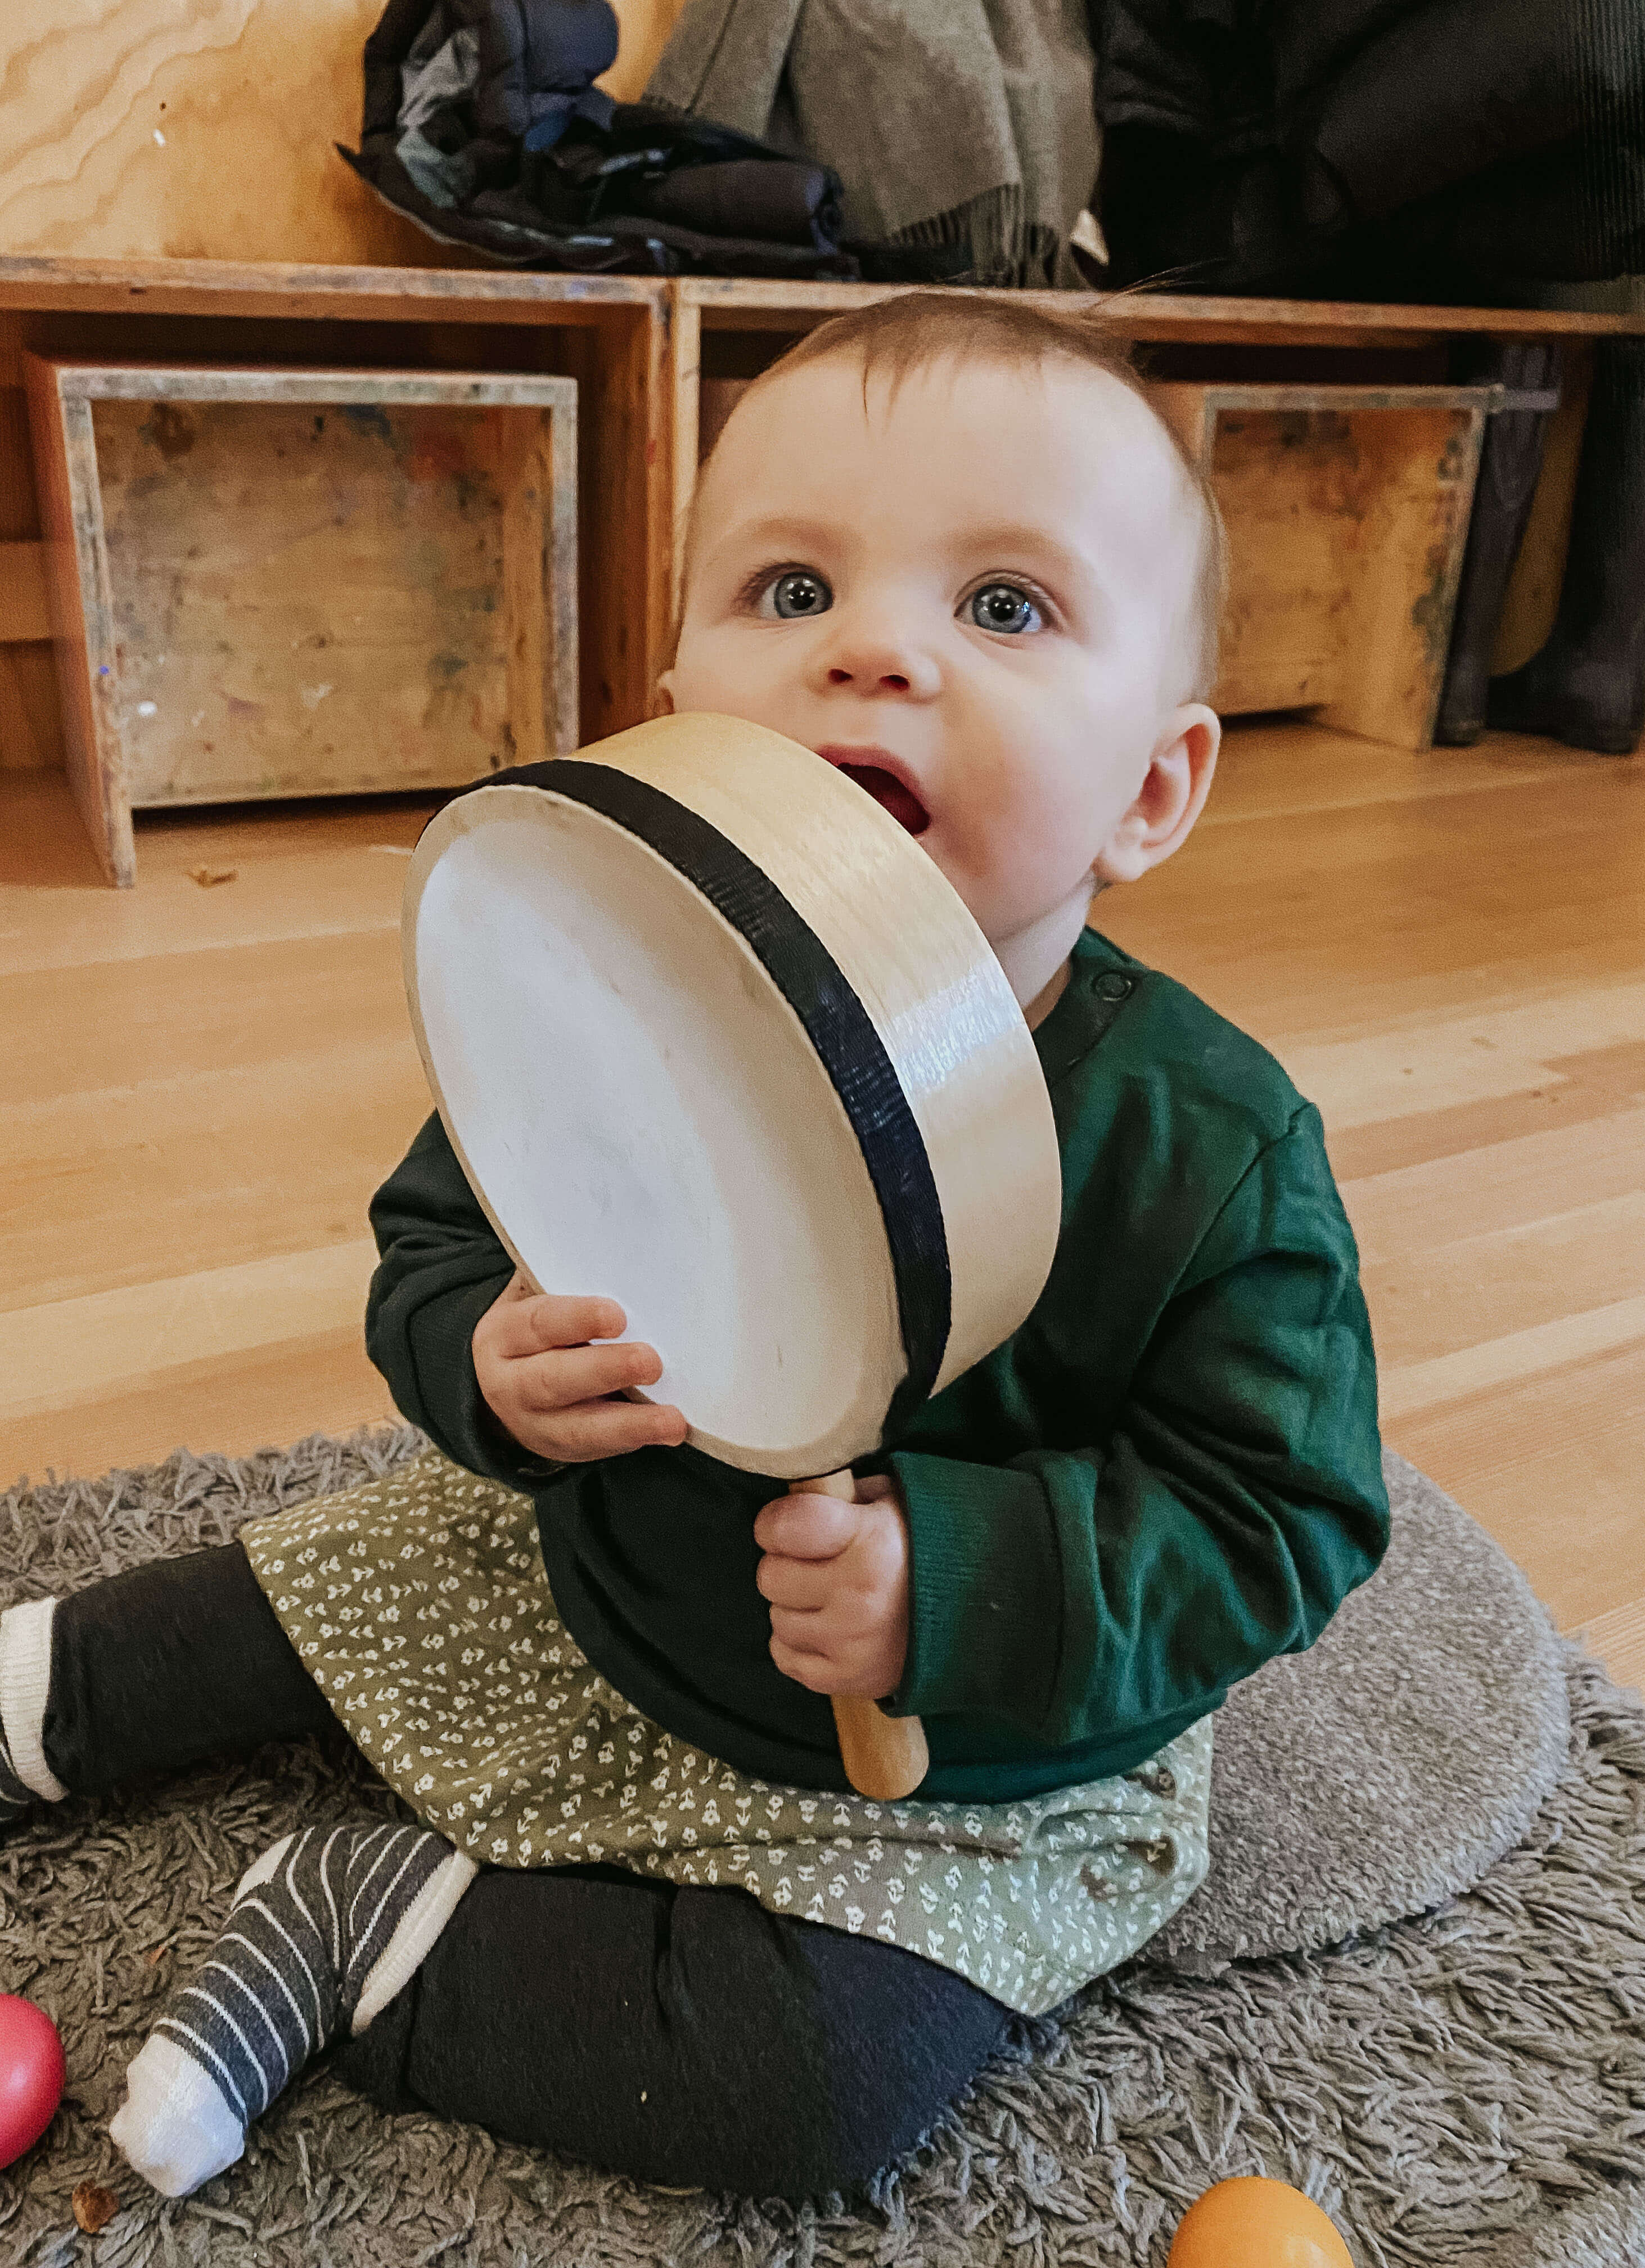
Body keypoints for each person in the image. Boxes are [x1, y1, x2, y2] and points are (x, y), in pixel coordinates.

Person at [0, 294, 1389, 2200]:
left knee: (813, 2084)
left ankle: (368, 1928)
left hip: (962, 1760)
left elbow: (1283, 1513)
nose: (872, 652)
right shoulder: (622, 991)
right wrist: (483, 1360)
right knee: (293, 1590)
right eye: (792, 589)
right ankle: (40, 1694)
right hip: (597, 1582)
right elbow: (435, 1232)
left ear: (1152, 788)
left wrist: (955, 1583)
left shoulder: (1212, 1150)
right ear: (670, 704)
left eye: (1004, 606)